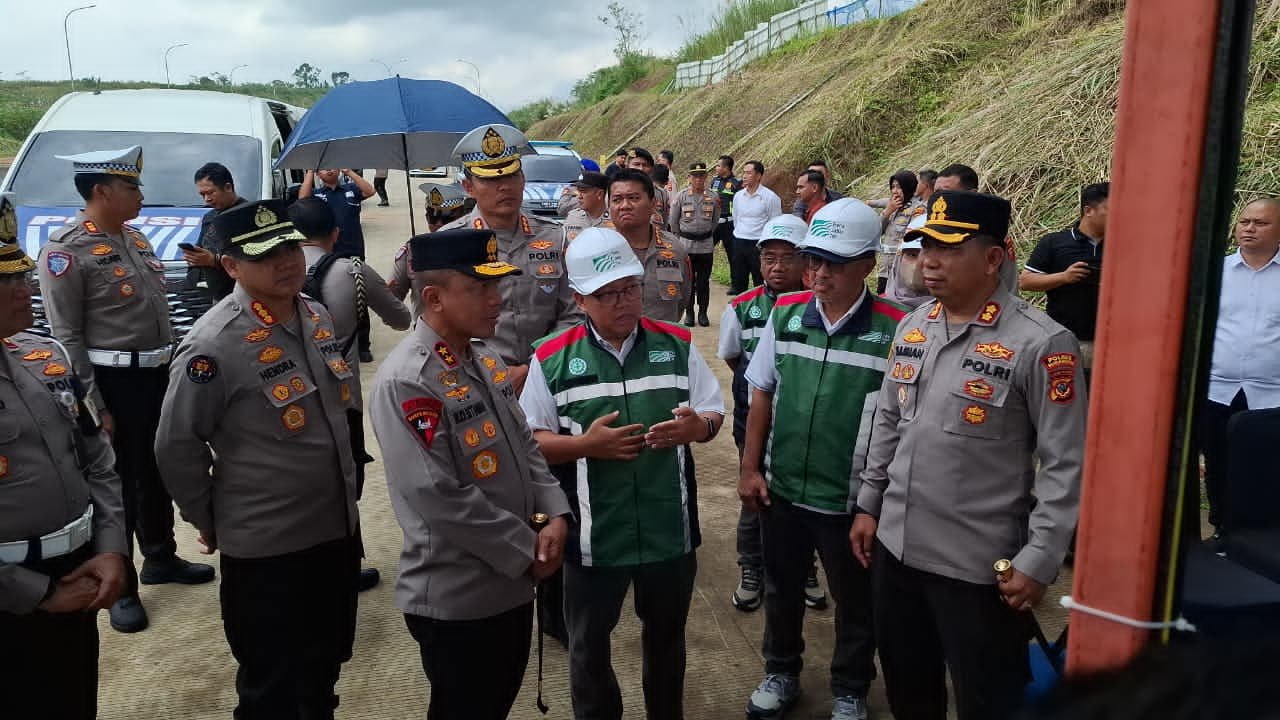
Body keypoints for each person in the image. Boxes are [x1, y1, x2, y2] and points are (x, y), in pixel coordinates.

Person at [851, 190, 1086, 720]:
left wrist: (1040, 558)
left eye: (949, 248)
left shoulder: (1042, 344)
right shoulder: (914, 327)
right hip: (896, 549)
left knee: (987, 699)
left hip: (978, 569)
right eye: (925, 246)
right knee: (909, 691)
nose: (929, 261)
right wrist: (869, 504)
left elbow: (1065, 461)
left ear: (993, 257)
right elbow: (887, 421)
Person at [156, 199, 362, 719]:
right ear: (231, 266)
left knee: (324, 668)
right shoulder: (213, 344)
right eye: (265, 254)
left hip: (334, 529)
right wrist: (209, 518)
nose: (286, 261)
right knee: (271, 687)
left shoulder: (313, 314)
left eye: (289, 246)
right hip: (268, 546)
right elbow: (176, 445)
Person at [520, 226, 725, 720]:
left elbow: (713, 412)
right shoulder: (551, 357)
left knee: (667, 641)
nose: (623, 302)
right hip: (594, 538)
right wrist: (586, 446)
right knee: (588, 647)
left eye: (630, 288)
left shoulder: (677, 344)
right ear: (579, 299)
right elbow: (531, 444)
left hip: (668, 531)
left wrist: (697, 428)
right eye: (607, 294)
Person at [368, 228, 572, 720]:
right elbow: (437, 494)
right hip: (460, 594)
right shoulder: (408, 380)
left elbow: (524, 443)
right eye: (480, 288)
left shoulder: (482, 357)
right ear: (434, 298)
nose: (496, 299)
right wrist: (526, 550)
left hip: (511, 580)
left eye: (495, 285)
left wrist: (555, 512)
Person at [37, 146, 214, 635]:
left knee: (157, 470)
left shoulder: (134, 238)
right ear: (101, 191)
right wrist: (93, 405)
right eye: (131, 187)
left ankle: (160, 556)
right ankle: (122, 587)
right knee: (119, 486)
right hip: (111, 383)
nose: (140, 195)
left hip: (156, 374)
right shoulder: (65, 252)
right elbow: (66, 336)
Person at [738, 199, 898, 720]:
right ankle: (781, 671)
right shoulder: (786, 314)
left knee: (856, 600)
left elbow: (901, 421)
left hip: (848, 500)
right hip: (783, 490)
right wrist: (750, 468)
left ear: (868, 265)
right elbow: (761, 392)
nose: (820, 273)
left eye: (836, 263)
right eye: (814, 261)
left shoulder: (898, 328)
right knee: (782, 589)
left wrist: (875, 503)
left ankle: (850, 687)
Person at [0, 203, 128, 720]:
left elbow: (97, 459)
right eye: (8, 280)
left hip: (78, 573)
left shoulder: (44, 356)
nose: (26, 287)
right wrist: (37, 593)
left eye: (22, 274)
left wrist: (112, 548)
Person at [291, 197, 412, 591]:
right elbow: (400, 319)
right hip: (342, 398)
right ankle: (344, 562)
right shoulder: (352, 270)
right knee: (344, 480)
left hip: (288, 399)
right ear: (336, 232)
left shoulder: (272, 273)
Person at [719, 215, 826, 615]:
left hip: (802, 422)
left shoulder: (821, 305)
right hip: (753, 419)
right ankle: (752, 567)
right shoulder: (741, 307)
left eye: (787, 258)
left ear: (805, 261)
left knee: (801, 499)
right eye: (769, 258)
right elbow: (734, 358)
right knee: (755, 493)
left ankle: (805, 569)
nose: (777, 267)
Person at [440, 123, 581, 395]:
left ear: (523, 179)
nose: (504, 186)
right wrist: (492, 370)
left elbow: (574, 312)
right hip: (477, 383)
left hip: (550, 375)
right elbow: (437, 325)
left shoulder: (555, 237)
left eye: (511, 176)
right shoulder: (448, 244)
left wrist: (533, 368)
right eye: (490, 180)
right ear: (468, 187)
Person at [1200, 197, 1280, 547]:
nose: (1249, 228)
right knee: (1218, 462)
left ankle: (1261, 536)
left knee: (1264, 466)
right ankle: (1222, 529)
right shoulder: (1214, 272)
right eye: (1244, 221)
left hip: (1272, 393)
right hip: (1218, 388)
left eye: (1260, 223)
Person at [1020, 182, 1110, 382]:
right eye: (1110, 210)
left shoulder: (1121, 246)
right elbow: (1026, 281)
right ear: (1088, 210)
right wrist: (1064, 277)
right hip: (1064, 340)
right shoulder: (1054, 243)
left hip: (1109, 344)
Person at [300, 167, 377, 362]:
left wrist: (349, 171)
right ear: (318, 174)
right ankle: (333, 341)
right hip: (327, 257)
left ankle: (363, 344)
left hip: (354, 253)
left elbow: (370, 191)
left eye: (333, 166)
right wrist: (309, 171)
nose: (329, 170)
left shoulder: (351, 190)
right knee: (331, 299)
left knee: (360, 300)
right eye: (323, 168)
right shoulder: (318, 195)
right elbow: (302, 199)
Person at [609, 169, 692, 323]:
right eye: (617, 200)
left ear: (653, 204)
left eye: (634, 198)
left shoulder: (675, 249)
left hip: (662, 336)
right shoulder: (597, 250)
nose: (625, 205)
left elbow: (682, 300)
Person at [388, 183, 471, 319]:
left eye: (447, 218)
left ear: (463, 217)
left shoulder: (475, 248)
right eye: (433, 217)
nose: (439, 224)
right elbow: (391, 306)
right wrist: (386, 297)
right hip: (427, 330)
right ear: (427, 217)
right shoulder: (412, 252)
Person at [185, 161, 246, 302]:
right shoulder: (209, 217)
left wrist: (214, 260)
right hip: (213, 294)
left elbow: (255, 261)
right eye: (202, 195)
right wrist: (194, 256)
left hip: (243, 294)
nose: (207, 199)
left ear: (228, 187)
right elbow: (202, 247)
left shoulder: (248, 214)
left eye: (210, 192)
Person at [669, 161, 719, 327]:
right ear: (689, 177)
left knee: (704, 282)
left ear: (706, 177)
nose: (698, 179)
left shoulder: (713, 197)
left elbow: (715, 221)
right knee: (687, 282)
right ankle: (689, 313)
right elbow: (673, 221)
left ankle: (703, 313)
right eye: (695, 176)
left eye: (701, 176)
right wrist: (680, 238)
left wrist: (705, 232)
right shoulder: (681, 197)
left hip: (705, 246)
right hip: (686, 246)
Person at [731, 161, 783, 294]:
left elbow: (774, 223)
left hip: (758, 244)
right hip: (739, 242)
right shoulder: (738, 196)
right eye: (744, 172)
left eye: (749, 173)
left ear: (758, 176)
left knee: (760, 279)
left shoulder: (770, 197)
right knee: (739, 279)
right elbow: (736, 218)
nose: (744, 176)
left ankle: (761, 303)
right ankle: (740, 303)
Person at [876, 170, 926, 294]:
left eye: (898, 187)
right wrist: (887, 212)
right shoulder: (892, 207)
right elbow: (877, 232)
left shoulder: (918, 209)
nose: (894, 191)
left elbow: (913, 239)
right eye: (892, 187)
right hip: (885, 269)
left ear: (908, 187)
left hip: (901, 270)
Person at [883, 213, 933, 309]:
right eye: (912, 255)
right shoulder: (877, 309)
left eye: (928, 256)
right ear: (899, 258)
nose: (917, 265)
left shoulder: (953, 312)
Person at [711, 155, 739, 292]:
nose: (716, 168)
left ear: (726, 167)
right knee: (706, 251)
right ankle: (701, 280)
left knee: (733, 255)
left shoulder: (736, 183)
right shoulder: (714, 181)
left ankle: (735, 284)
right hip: (714, 223)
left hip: (729, 224)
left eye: (718, 165)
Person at [625, 146, 670, 230]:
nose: (641, 168)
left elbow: (664, 222)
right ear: (627, 166)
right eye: (636, 164)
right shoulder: (615, 192)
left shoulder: (661, 193)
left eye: (645, 165)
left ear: (651, 169)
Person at [563, 171, 612, 242]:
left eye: (583, 191)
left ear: (599, 194)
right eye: (578, 191)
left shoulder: (615, 219)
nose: (579, 196)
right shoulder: (573, 217)